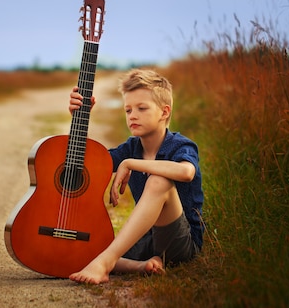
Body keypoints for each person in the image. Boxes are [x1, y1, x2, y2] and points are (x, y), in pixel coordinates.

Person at [67, 68, 204, 284]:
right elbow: (90, 164)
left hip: (181, 241)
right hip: (146, 239)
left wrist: (130, 163)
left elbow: (186, 172)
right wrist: (80, 120)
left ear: (164, 112)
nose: (133, 116)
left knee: (159, 181)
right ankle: (141, 266)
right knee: (82, 249)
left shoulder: (180, 145)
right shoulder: (131, 147)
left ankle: (106, 263)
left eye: (141, 108)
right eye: (128, 110)